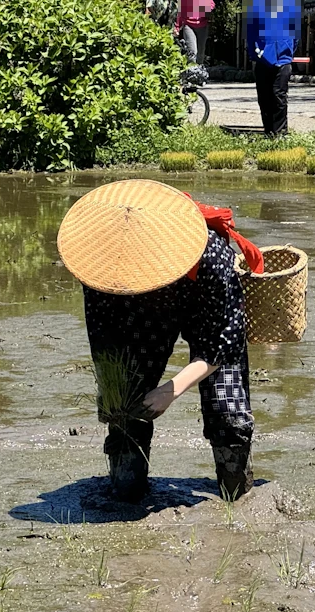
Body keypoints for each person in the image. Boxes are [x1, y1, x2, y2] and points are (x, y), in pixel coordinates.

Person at [56, 179, 264, 504]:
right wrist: (115, 393)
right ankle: (126, 489)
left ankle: (237, 492)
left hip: (202, 299)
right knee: (127, 404)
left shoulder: (213, 257)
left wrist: (172, 388)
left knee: (228, 410)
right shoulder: (100, 264)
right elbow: (105, 339)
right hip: (141, 310)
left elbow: (223, 342)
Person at [248, 0, 301, 135]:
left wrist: (289, 52)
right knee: (264, 97)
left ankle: (280, 132)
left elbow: (295, 33)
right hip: (262, 58)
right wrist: (254, 53)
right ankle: (269, 131)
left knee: (279, 95)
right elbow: (251, 31)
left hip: (283, 58)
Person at [176, 0, 216, 64]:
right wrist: (177, 27)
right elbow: (180, 12)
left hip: (203, 26)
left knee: (201, 52)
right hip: (189, 25)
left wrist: (204, 9)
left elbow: (211, 4)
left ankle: (199, 71)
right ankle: (192, 70)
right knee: (192, 51)